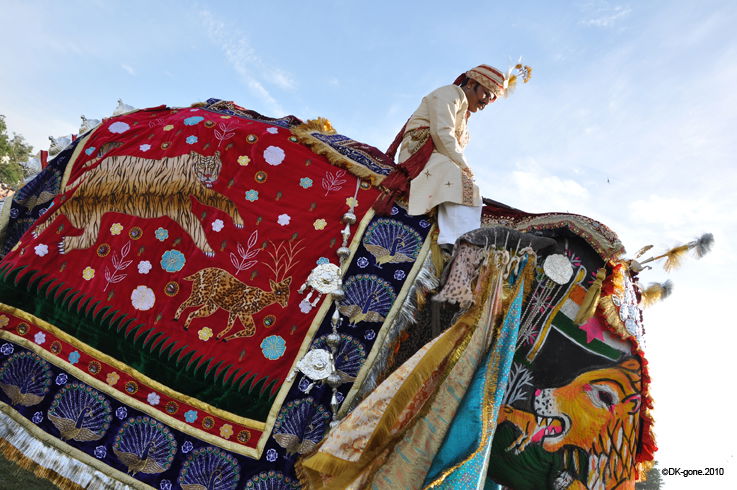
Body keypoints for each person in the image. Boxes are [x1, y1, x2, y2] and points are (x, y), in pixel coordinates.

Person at [376, 64, 526, 247]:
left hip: (441, 154)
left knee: (469, 188)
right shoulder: (450, 94)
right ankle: (457, 243)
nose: (486, 102)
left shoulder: (464, 118)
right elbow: (442, 133)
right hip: (422, 150)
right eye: (486, 94)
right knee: (461, 185)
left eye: (492, 98)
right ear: (471, 83)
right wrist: (464, 167)